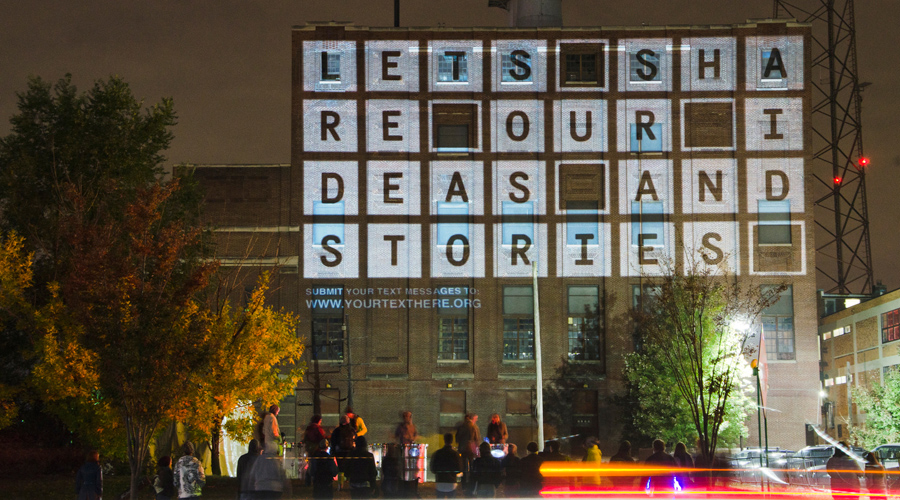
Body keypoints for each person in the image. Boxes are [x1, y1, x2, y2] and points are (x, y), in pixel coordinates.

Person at [456, 413, 481, 496]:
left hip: (462, 448)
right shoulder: (473, 426)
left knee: (463, 467)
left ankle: (463, 485)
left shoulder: (461, 426)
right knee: (471, 466)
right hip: (470, 448)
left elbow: (457, 438)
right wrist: (477, 448)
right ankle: (471, 484)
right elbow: (476, 439)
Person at [431, 433, 463, 499]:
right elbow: (459, 468)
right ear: (452, 441)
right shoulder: (455, 454)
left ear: (444, 440)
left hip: (440, 481)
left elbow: (433, 469)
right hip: (451, 482)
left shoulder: (438, 453)